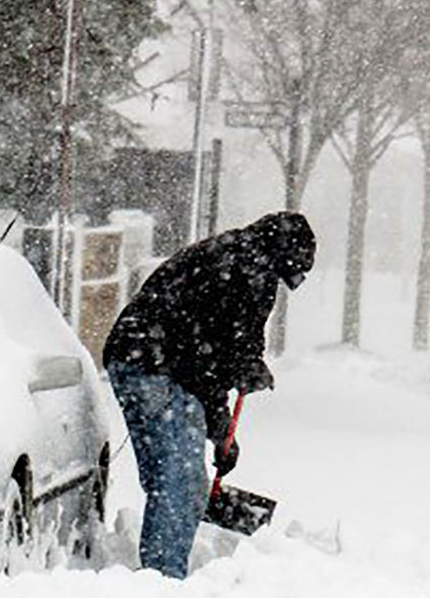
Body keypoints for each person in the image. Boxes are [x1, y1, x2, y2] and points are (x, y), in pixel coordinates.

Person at [102, 210, 315, 578]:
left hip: (132, 358)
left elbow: (224, 351)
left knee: (168, 476)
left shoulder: (235, 254)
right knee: (180, 483)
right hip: (156, 365)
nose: (285, 282)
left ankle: (158, 572)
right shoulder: (247, 271)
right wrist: (222, 421)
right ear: (284, 255)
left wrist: (221, 428)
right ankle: (163, 579)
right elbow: (217, 356)